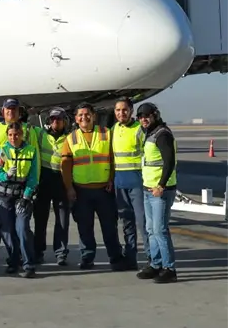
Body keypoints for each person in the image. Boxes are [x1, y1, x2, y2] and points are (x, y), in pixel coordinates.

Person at [61, 103, 126, 270]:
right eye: (80, 115)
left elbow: (113, 159)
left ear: (94, 116)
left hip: (104, 190)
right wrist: (69, 188)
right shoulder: (71, 138)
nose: (84, 117)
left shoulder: (106, 133)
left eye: (87, 114)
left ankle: (116, 258)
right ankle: (87, 257)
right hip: (81, 191)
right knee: (84, 228)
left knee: (109, 227)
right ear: (75, 119)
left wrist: (112, 178)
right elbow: (65, 166)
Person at [0, 98, 40, 265]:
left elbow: (35, 158)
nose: (11, 112)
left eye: (14, 110)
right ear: (3, 111)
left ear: (19, 112)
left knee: (19, 223)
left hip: (21, 181)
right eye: (8, 109)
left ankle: (21, 255)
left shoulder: (28, 130)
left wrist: (34, 185)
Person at [135, 103, 179, 283]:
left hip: (161, 190)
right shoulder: (150, 134)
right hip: (148, 189)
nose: (143, 119)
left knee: (160, 230)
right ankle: (155, 264)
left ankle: (169, 268)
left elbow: (169, 162)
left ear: (155, 115)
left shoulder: (162, 134)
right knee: (150, 230)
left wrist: (161, 185)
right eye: (140, 116)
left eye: (147, 115)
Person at [0, 121, 39, 277]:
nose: (13, 138)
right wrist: (7, 175)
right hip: (4, 196)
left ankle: (29, 264)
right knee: (8, 231)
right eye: (10, 135)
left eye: (16, 134)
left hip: (21, 196)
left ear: (22, 134)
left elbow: (33, 177)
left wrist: (27, 196)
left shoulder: (31, 151)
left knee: (22, 228)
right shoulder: (2, 151)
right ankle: (14, 260)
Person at [111, 97, 148, 270]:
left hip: (137, 182)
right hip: (120, 182)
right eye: (118, 110)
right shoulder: (114, 129)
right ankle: (131, 258)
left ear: (131, 111)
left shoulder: (139, 130)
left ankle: (152, 260)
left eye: (124, 110)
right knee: (126, 222)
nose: (121, 113)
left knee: (143, 223)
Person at [33, 108, 70, 265]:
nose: (56, 122)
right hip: (44, 181)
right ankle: (38, 251)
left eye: (59, 119)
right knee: (40, 220)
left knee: (62, 220)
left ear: (64, 121)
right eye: (53, 119)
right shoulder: (41, 134)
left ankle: (60, 252)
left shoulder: (69, 138)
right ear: (49, 121)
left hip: (61, 181)